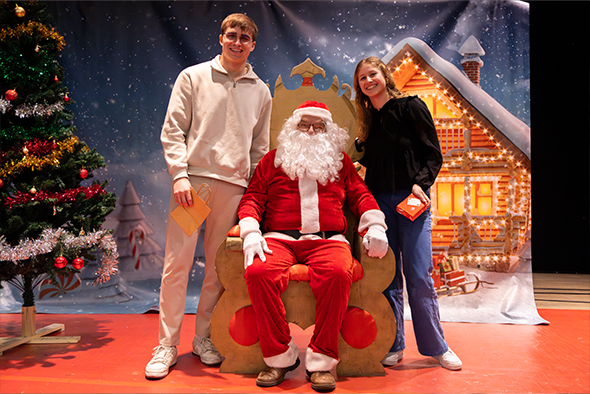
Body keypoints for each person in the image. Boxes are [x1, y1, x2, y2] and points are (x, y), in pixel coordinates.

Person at [145, 13, 272, 379]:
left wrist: (252, 192)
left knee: (218, 270)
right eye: (231, 35)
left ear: (252, 45)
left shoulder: (261, 91)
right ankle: (166, 345)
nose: (237, 42)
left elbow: (259, 149)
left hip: (233, 189)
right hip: (194, 186)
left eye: (244, 37)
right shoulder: (193, 76)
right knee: (177, 265)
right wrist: (180, 176)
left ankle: (204, 338)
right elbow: (173, 131)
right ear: (221, 38)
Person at [237, 101, 389, 392]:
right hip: (279, 238)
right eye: (304, 125)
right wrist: (251, 232)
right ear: (293, 128)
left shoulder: (340, 161)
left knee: (337, 273)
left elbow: (360, 195)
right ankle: (280, 357)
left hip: (326, 240)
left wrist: (375, 224)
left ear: (327, 130)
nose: (310, 131)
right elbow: (253, 198)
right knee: (258, 272)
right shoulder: (272, 161)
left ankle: (322, 360)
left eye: (317, 126)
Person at [352, 56, 462, 371]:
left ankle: (437, 347)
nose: (368, 81)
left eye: (372, 74)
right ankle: (393, 344)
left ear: (384, 75)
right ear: (359, 87)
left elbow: (432, 152)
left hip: (411, 202)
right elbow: (369, 161)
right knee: (387, 277)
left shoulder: (412, 106)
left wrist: (421, 184)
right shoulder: (368, 122)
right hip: (379, 208)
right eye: (362, 79)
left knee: (418, 274)